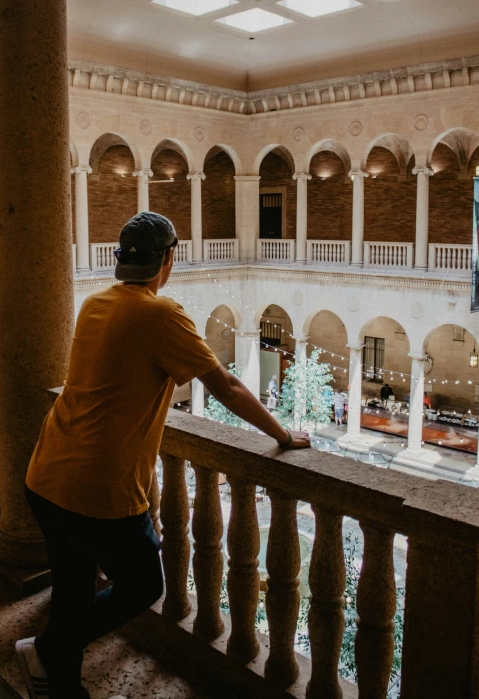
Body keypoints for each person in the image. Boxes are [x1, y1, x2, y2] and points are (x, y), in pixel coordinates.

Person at [16, 212, 310, 699]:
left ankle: (59, 679)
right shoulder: (161, 313)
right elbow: (229, 387)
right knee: (145, 583)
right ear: (168, 259)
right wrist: (281, 433)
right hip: (98, 488)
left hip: (45, 475)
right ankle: (48, 649)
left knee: (72, 586)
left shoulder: (94, 303)